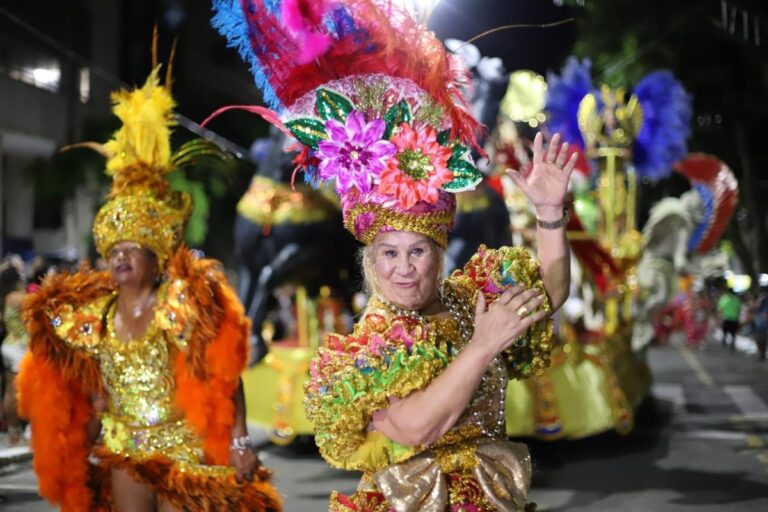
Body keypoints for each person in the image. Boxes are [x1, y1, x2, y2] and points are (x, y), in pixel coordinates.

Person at [209, 2, 573, 508]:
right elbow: (415, 426)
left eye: (418, 250)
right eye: (390, 253)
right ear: (370, 263)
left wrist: (551, 215)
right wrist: (482, 347)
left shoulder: (473, 301)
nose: (404, 267)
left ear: (439, 253)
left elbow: (550, 292)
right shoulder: (373, 345)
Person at [17, 68, 281, 511]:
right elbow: (66, 371)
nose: (121, 258)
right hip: (124, 447)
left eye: (133, 249)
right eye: (114, 250)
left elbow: (224, 376)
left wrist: (238, 441)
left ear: (155, 258)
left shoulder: (179, 304)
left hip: (182, 447)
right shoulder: (94, 315)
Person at [1, 262, 27, 444]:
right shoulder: (19, 297)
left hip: (9, 345)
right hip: (21, 347)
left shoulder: (4, 298)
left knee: (10, 391)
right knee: (25, 390)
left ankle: (14, 433)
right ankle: (30, 430)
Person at [717, 286, 742, 352]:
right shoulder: (737, 299)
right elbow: (739, 309)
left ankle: (725, 341)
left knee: (725, 331)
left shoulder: (724, 299)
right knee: (733, 333)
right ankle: (732, 344)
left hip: (726, 318)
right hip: (734, 318)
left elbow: (720, 309)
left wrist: (719, 318)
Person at [752, 285, 768, 361]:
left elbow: (764, 312)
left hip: (761, 322)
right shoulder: (762, 299)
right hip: (760, 321)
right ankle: (762, 354)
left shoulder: (764, 299)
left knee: (760, 339)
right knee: (761, 339)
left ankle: (762, 354)